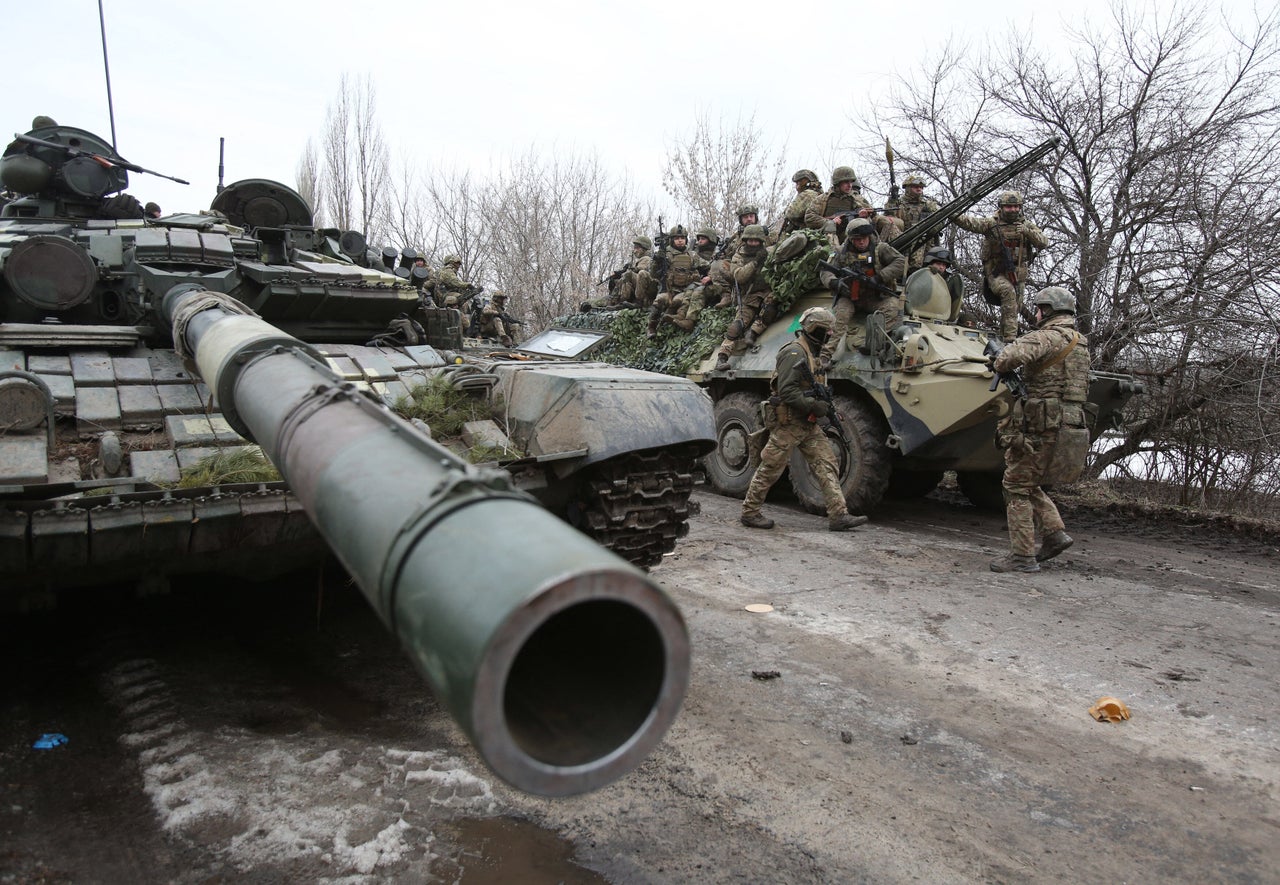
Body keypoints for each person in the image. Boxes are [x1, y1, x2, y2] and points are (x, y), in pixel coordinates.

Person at [988, 287, 1091, 573]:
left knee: (1015, 485)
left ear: (1047, 311)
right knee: (1028, 481)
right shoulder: (1080, 342)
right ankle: (1055, 533)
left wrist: (1001, 354)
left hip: (1042, 424)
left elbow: (1006, 359)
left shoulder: (1046, 337)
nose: (1035, 314)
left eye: (1038, 309)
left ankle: (1022, 556)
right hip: (1069, 423)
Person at [740, 307, 868, 532]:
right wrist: (813, 405)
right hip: (789, 423)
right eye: (826, 331)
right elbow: (787, 391)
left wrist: (826, 408)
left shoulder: (812, 354)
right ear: (813, 328)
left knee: (827, 464)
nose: (829, 336)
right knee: (770, 468)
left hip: (807, 424)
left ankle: (838, 514)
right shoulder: (794, 353)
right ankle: (750, 512)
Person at [954, 191, 1048, 341]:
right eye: (1009, 207)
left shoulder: (1025, 225)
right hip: (996, 274)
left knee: (1013, 307)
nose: (1013, 210)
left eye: (1016, 207)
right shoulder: (992, 224)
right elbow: (970, 223)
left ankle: (1004, 338)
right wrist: (953, 213)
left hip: (1017, 275)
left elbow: (1043, 242)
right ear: (1002, 207)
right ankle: (1010, 338)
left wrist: (1027, 232)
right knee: (1008, 292)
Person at [816, 218, 906, 366]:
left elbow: (900, 262)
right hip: (849, 296)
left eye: (864, 238)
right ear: (851, 239)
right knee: (840, 318)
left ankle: (873, 344)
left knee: (893, 307)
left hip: (874, 297)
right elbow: (825, 271)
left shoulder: (880, 248)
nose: (862, 242)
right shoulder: (840, 252)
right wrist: (835, 282)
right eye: (857, 239)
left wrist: (879, 277)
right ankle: (826, 354)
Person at [713, 224, 776, 370]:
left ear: (762, 241)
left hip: (767, 292)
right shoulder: (738, 256)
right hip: (749, 295)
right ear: (745, 240)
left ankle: (753, 333)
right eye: (750, 241)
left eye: (756, 241)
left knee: (771, 308)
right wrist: (755, 263)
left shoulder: (769, 252)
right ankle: (722, 358)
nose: (753, 243)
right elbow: (739, 277)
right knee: (737, 326)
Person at [648, 225, 709, 336]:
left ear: (686, 239)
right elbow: (653, 274)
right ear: (671, 240)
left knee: (678, 301)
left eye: (682, 238)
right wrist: (657, 261)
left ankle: (670, 317)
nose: (680, 241)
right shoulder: (666, 254)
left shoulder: (692, 255)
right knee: (660, 300)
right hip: (670, 289)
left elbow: (707, 266)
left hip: (686, 290)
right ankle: (651, 326)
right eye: (677, 238)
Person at [883, 173, 940, 271]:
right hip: (903, 240)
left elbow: (940, 215)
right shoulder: (899, 203)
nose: (919, 189)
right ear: (908, 188)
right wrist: (892, 199)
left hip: (924, 240)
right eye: (916, 187)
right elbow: (888, 215)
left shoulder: (927, 205)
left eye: (921, 187)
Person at [806, 166, 873, 244]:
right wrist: (829, 222)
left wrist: (862, 215)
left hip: (848, 237)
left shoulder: (854, 199)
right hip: (826, 237)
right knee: (830, 228)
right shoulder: (823, 199)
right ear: (837, 183)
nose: (850, 185)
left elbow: (867, 211)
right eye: (846, 182)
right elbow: (809, 217)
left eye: (851, 182)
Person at [612, 235, 657, 308]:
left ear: (644, 248)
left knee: (628, 274)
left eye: (637, 248)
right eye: (634, 248)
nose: (634, 251)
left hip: (647, 290)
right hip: (644, 288)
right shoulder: (643, 259)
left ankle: (625, 301)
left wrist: (628, 270)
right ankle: (618, 301)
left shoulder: (647, 258)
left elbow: (641, 269)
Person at [780, 169, 824, 235]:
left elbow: (791, 213)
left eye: (798, 182)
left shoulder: (808, 194)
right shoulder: (819, 193)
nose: (797, 186)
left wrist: (786, 210)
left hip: (802, 233)